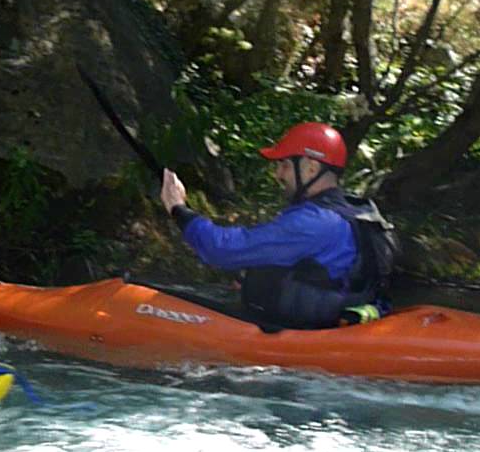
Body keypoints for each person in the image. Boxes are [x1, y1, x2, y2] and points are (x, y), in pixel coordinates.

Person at [160, 121, 399, 331]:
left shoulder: (314, 222)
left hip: (302, 335)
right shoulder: (358, 210)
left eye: (284, 164)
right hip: (333, 323)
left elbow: (221, 249)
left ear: (311, 168)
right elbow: (329, 274)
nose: (278, 174)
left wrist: (179, 209)